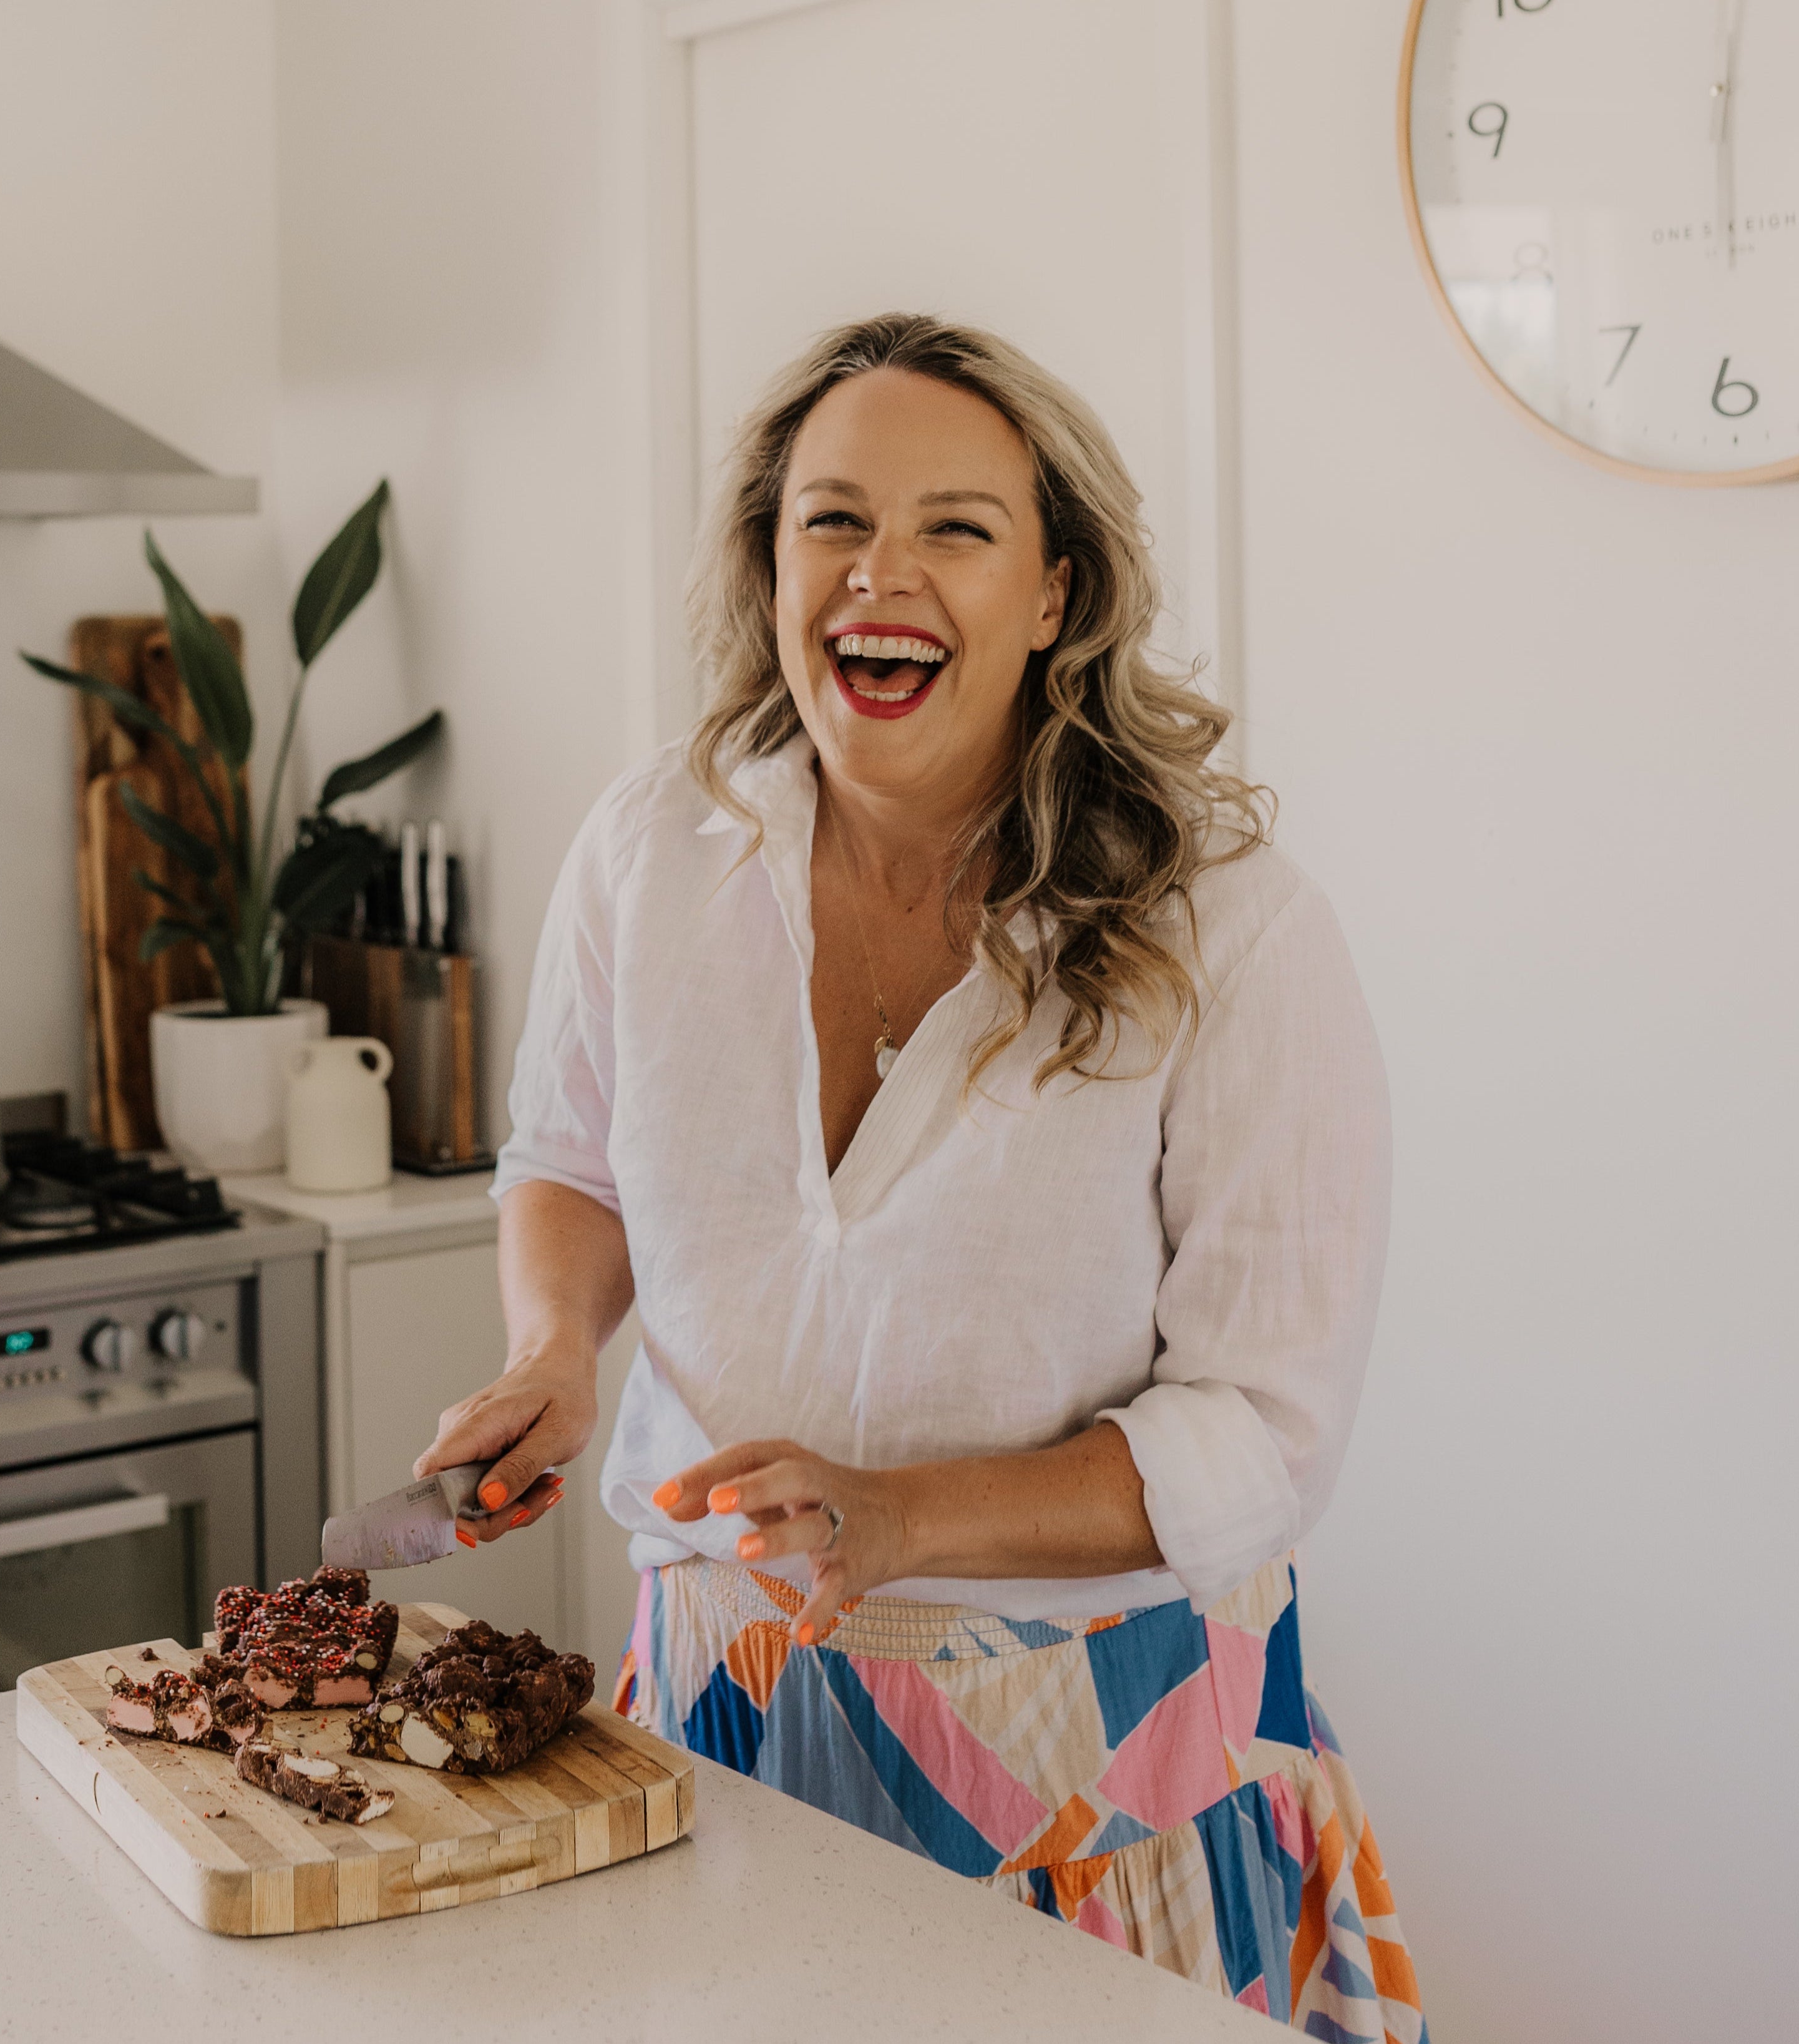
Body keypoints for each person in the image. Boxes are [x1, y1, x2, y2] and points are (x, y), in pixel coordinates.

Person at [417, 314, 1423, 2038]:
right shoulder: (652, 845)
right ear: (767, 561)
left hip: (1094, 1753)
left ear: (1054, 593)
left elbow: (1260, 1435)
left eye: (957, 527)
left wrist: (903, 1517)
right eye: (833, 520)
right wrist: (556, 1352)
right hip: (719, 1705)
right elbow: (571, 1157)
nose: (883, 575)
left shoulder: (1234, 926)